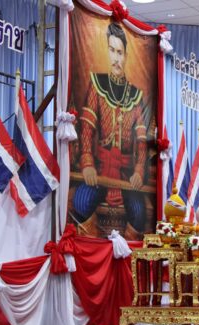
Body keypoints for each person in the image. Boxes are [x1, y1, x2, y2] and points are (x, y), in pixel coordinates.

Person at [73, 22, 148, 236]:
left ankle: (124, 256)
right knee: (81, 202)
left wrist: (138, 171)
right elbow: (86, 130)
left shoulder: (136, 96)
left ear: (126, 56)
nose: (116, 58)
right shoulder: (97, 85)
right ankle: (96, 249)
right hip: (99, 168)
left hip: (125, 174)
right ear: (107, 51)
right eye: (112, 51)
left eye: (120, 52)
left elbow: (142, 142)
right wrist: (87, 164)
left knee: (139, 212)